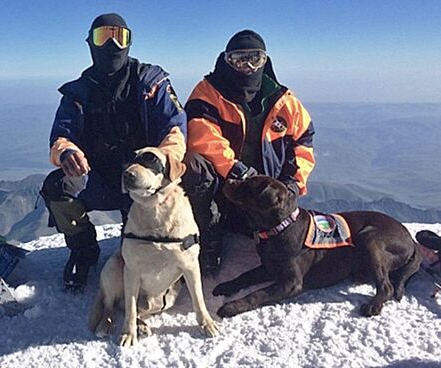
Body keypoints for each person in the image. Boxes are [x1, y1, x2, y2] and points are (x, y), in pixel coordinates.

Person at [40, 13, 187, 289]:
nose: (112, 45)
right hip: (95, 178)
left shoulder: (150, 82)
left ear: (130, 43)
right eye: (103, 37)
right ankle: (83, 250)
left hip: (140, 181)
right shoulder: (78, 93)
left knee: (134, 256)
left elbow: (174, 129)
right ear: (90, 44)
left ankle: (171, 248)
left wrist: (162, 165)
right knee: (57, 187)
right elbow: (61, 135)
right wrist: (67, 153)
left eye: (120, 37)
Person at [182, 30, 316, 276]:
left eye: (255, 58)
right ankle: (209, 237)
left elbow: (303, 142)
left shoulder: (283, 100)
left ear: (266, 61)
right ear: (226, 61)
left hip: (262, 193)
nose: (248, 67)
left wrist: (292, 185)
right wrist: (238, 171)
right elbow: (202, 136)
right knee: (194, 166)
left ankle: (274, 236)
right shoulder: (208, 91)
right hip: (224, 187)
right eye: (239, 59)